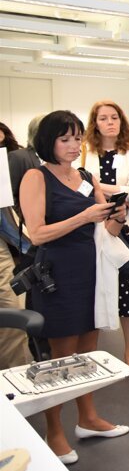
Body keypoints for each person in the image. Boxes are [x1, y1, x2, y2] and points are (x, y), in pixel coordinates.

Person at [20, 110, 129, 464]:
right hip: (57, 275)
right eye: (65, 139)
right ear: (47, 142)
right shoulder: (36, 177)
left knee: (88, 351)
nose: (73, 145)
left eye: (77, 138)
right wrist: (83, 216)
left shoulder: (85, 176)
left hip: (91, 271)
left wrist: (117, 215)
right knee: (60, 358)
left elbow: (107, 228)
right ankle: (54, 431)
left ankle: (88, 418)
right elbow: (37, 233)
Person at [80, 101, 129, 376]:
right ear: (95, 123)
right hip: (93, 234)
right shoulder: (84, 153)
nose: (110, 122)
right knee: (93, 292)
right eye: (103, 118)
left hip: (126, 233)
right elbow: (78, 186)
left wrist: (96, 185)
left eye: (114, 117)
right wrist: (115, 192)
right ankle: (90, 354)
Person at [0, 122, 30, 369]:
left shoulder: (11, 159)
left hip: (4, 249)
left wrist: (29, 245)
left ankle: (14, 381)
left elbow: (5, 219)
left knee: (12, 311)